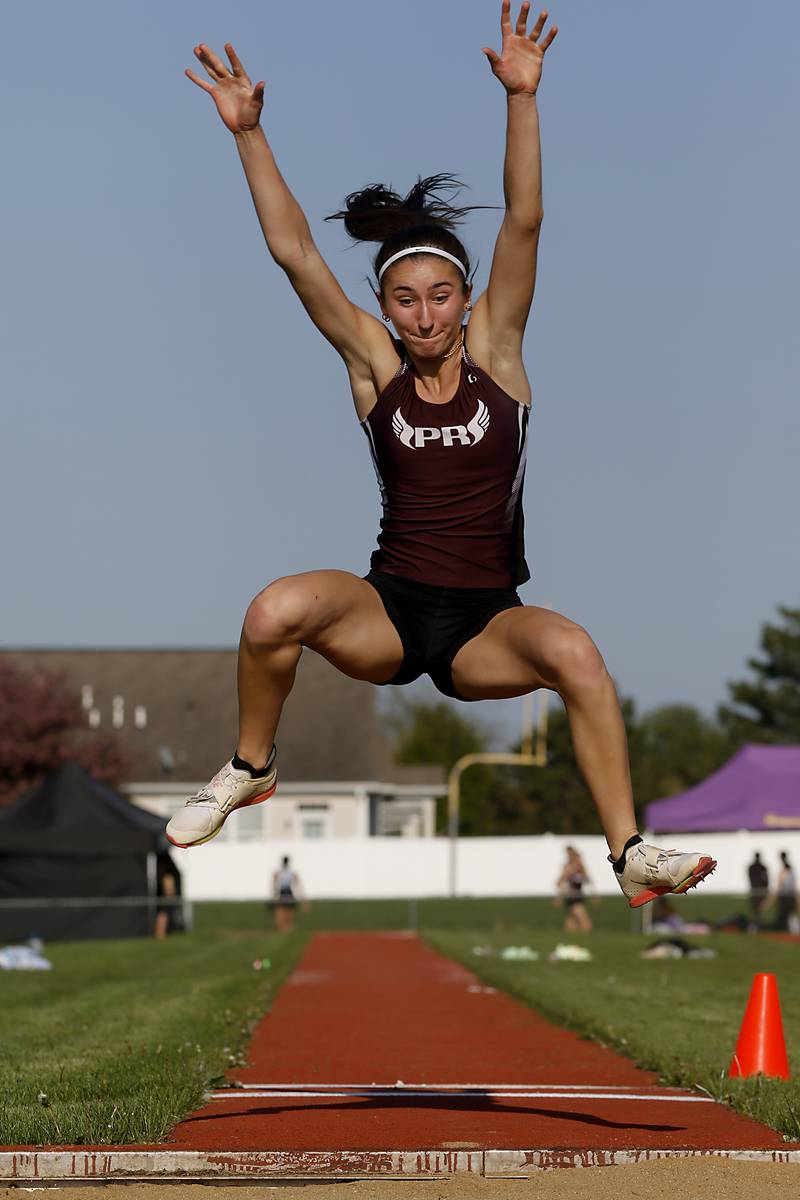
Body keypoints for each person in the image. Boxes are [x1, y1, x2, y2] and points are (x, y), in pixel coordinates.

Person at [165, 3, 716, 908]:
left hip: (486, 625)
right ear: (385, 309)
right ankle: (249, 766)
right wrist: (250, 135)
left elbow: (526, 221)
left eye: (440, 296)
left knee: (577, 654)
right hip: (390, 610)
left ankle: (628, 856)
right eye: (405, 299)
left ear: (465, 302)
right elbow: (296, 253)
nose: (423, 315)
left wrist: (522, 100)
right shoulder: (372, 368)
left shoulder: (498, 355)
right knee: (272, 613)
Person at [557, 846, 592, 933]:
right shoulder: (570, 869)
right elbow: (559, 882)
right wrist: (562, 894)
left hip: (579, 896)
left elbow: (588, 880)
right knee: (584, 920)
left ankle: (569, 938)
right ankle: (585, 937)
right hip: (572, 897)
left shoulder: (581, 869)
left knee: (572, 920)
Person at [271, 855, 305, 934]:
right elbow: (274, 885)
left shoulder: (290, 873)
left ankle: (287, 928)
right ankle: (283, 929)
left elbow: (298, 885)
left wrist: (302, 899)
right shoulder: (280, 873)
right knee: (282, 912)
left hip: (287, 892)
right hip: (283, 892)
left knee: (289, 912)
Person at [771, 851, 798, 933]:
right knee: (783, 916)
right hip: (786, 896)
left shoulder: (786, 869)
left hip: (786, 896)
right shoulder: (787, 868)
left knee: (785, 915)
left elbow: (783, 884)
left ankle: (785, 928)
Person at [747, 851, 769, 926]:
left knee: (757, 908)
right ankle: (756, 922)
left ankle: (757, 922)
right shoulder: (761, 867)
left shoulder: (753, 867)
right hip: (758, 889)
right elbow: (766, 879)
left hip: (756, 889)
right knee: (756, 908)